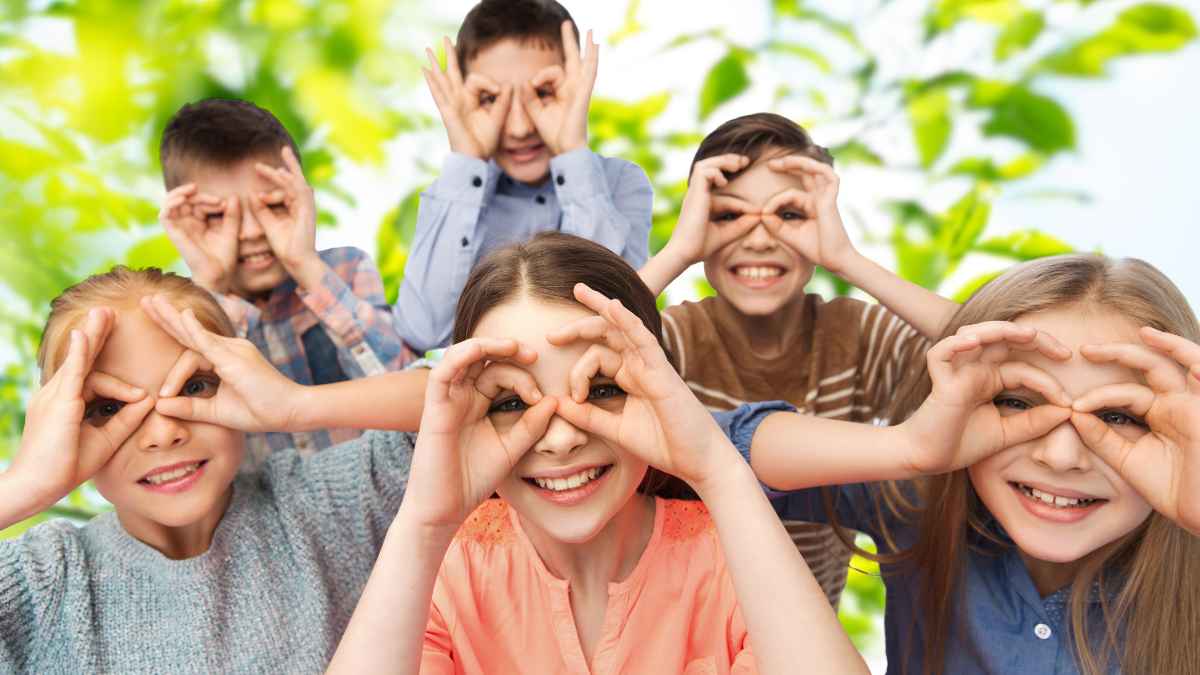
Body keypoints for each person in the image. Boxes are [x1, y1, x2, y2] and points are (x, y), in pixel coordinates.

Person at [329, 233, 868, 674]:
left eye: (603, 388)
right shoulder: (449, 564)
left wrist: (718, 469)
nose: (561, 438)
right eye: (513, 401)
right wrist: (424, 522)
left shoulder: (730, 554)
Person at [723, 253, 1200, 674]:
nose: (1060, 457)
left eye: (1116, 417)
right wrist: (907, 448)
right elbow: (693, 447)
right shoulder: (921, 498)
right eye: (1017, 402)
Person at [0, 267, 425, 672]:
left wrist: (298, 405)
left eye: (194, 386)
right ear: (60, 427)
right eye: (108, 409)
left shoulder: (322, 505)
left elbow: (479, 393)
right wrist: (26, 484)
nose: (163, 434)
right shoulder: (45, 581)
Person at [637, 112, 956, 605]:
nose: (759, 238)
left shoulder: (855, 336)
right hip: (683, 624)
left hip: (806, 631)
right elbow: (568, 350)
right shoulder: (675, 339)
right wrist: (678, 251)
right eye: (728, 216)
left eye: (788, 215)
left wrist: (847, 259)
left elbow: (999, 348)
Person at [159, 98, 414, 466]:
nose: (250, 232)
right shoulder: (178, 317)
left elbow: (408, 387)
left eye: (274, 206)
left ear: (303, 199)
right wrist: (210, 286)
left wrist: (305, 265)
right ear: (182, 220)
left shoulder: (345, 270)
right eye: (217, 216)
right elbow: (181, 431)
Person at [396, 0, 653, 353]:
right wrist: (466, 157)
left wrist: (571, 150)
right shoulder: (453, 195)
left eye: (543, 92)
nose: (518, 126)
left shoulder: (621, 181)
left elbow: (604, 320)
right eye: (489, 98)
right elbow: (423, 332)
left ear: (578, 85)